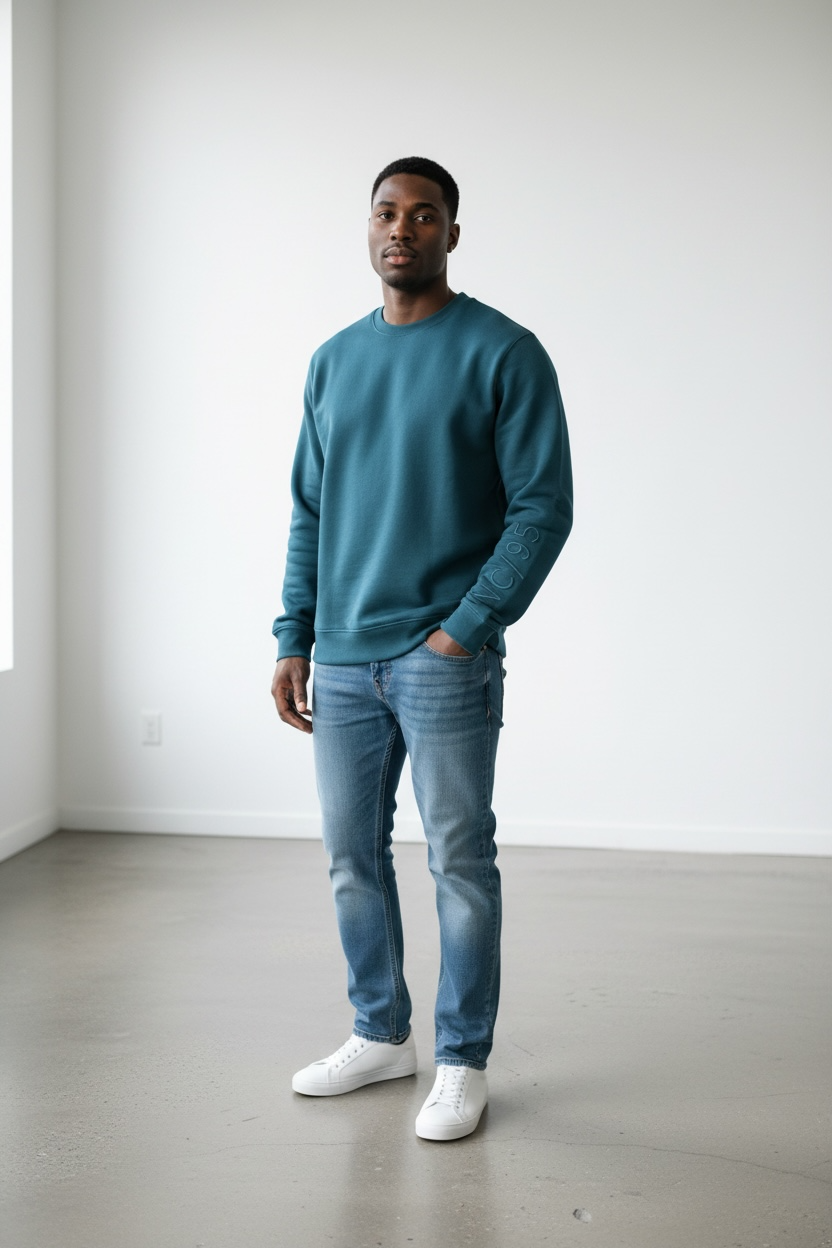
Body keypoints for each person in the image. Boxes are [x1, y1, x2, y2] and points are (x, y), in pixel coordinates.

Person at [271, 156, 573, 1141]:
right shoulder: (333, 360)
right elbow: (309, 512)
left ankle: (460, 1059)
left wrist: (467, 628)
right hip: (345, 660)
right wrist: (294, 635)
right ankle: (379, 1032)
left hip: (442, 657)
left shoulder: (502, 351)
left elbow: (541, 509)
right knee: (350, 856)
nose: (401, 228)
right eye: (385, 213)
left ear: (451, 231)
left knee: (457, 857)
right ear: (368, 230)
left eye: (424, 214)